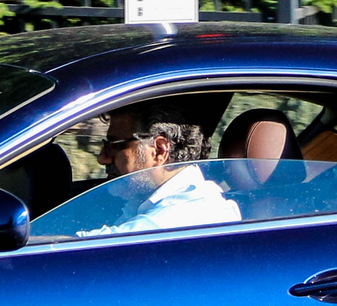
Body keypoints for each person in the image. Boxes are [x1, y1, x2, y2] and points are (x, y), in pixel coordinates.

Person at [80, 101, 243, 236]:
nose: (102, 158)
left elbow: (85, 250)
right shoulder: (149, 203)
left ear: (159, 150)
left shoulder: (186, 213)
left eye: (116, 146)